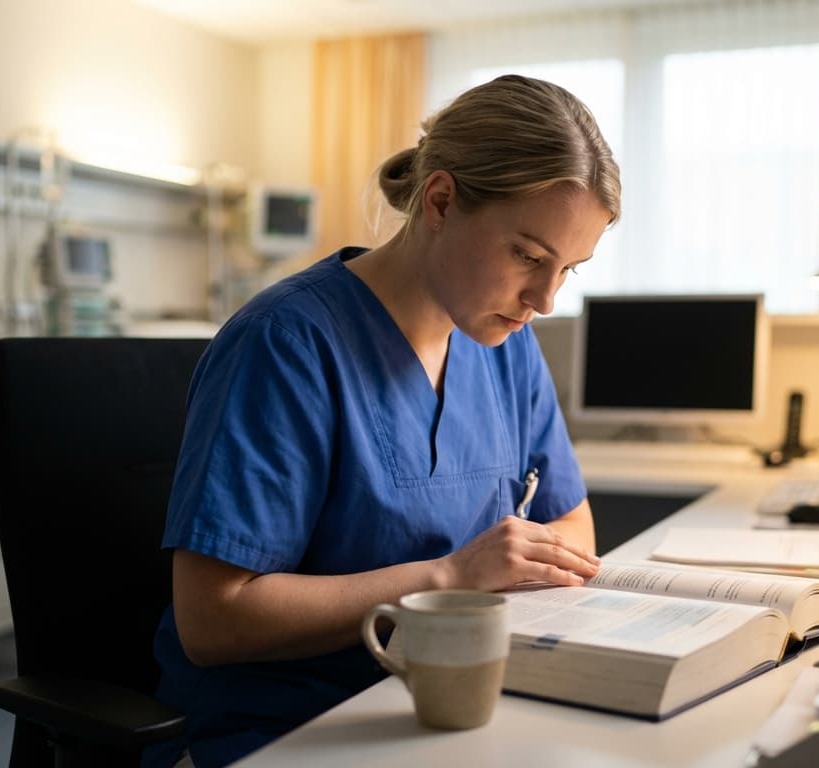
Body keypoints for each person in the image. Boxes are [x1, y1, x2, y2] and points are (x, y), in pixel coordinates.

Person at [146, 74, 622, 768]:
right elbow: (213, 619)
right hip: (289, 728)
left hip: (449, 703)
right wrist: (450, 579)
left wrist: (494, 575)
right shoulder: (287, 343)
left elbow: (570, 526)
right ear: (440, 201)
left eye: (568, 270)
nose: (544, 299)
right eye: (527, 255)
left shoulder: (506, 345)